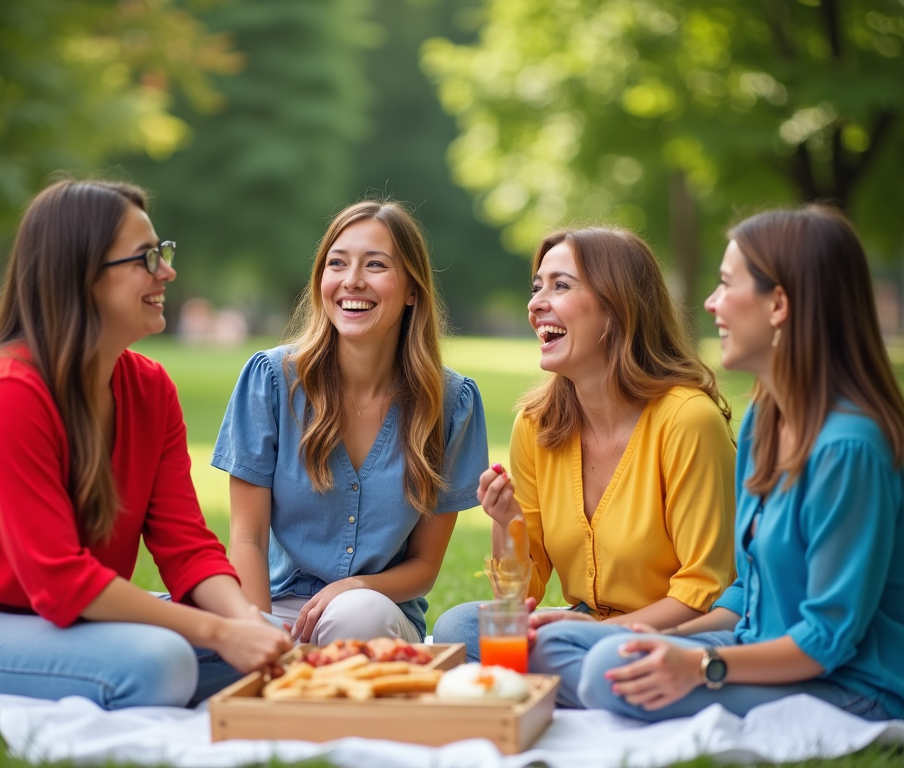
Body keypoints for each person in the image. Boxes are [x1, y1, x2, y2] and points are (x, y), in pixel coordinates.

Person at [0, 180, 292, 709]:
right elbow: (60, 580)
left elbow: (186, 547)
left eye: (162, 253)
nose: (166, 271)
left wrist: (243, 623)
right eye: (146, 258)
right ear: (81, 274)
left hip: (63, 619)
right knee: (162, 662)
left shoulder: (150, 389)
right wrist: (218, 635)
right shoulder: (5, 391)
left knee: (273, 641)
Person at [552, 206, 904, 722]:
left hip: (848, 685)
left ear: (778, 304)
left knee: (609, 671)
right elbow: (745, 590)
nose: (710, 303)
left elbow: (827, 638)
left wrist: (700, 666)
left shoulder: (848, 448)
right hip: (750, 647)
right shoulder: (766, 417)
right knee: (567, 642)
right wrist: (650, 635)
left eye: (725, 284)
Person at [434, 227, 737, 694]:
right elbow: (520, 600)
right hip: (583, 629)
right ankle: (605, 687)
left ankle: (596, 682)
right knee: (461, 627)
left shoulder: (686, 420)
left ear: (617, 309)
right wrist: (506, 524)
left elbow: (706, 592)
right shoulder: (536, 426)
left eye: (560, 285)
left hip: (681, 634)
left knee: (567, 652)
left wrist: (595, 632)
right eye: (537, 287)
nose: (536, 303)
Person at [212, 199, 488, 645]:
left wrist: (356, 586)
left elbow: (423, 566)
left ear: (412, 289)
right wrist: (257, 635)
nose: (352, 281)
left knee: (355, 616)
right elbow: (248, 541)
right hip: (275, 607)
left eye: (375, 264)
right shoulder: (271, 380)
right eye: (336, 264)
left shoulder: (452, 403)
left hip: (376, 612)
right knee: (175, 637)